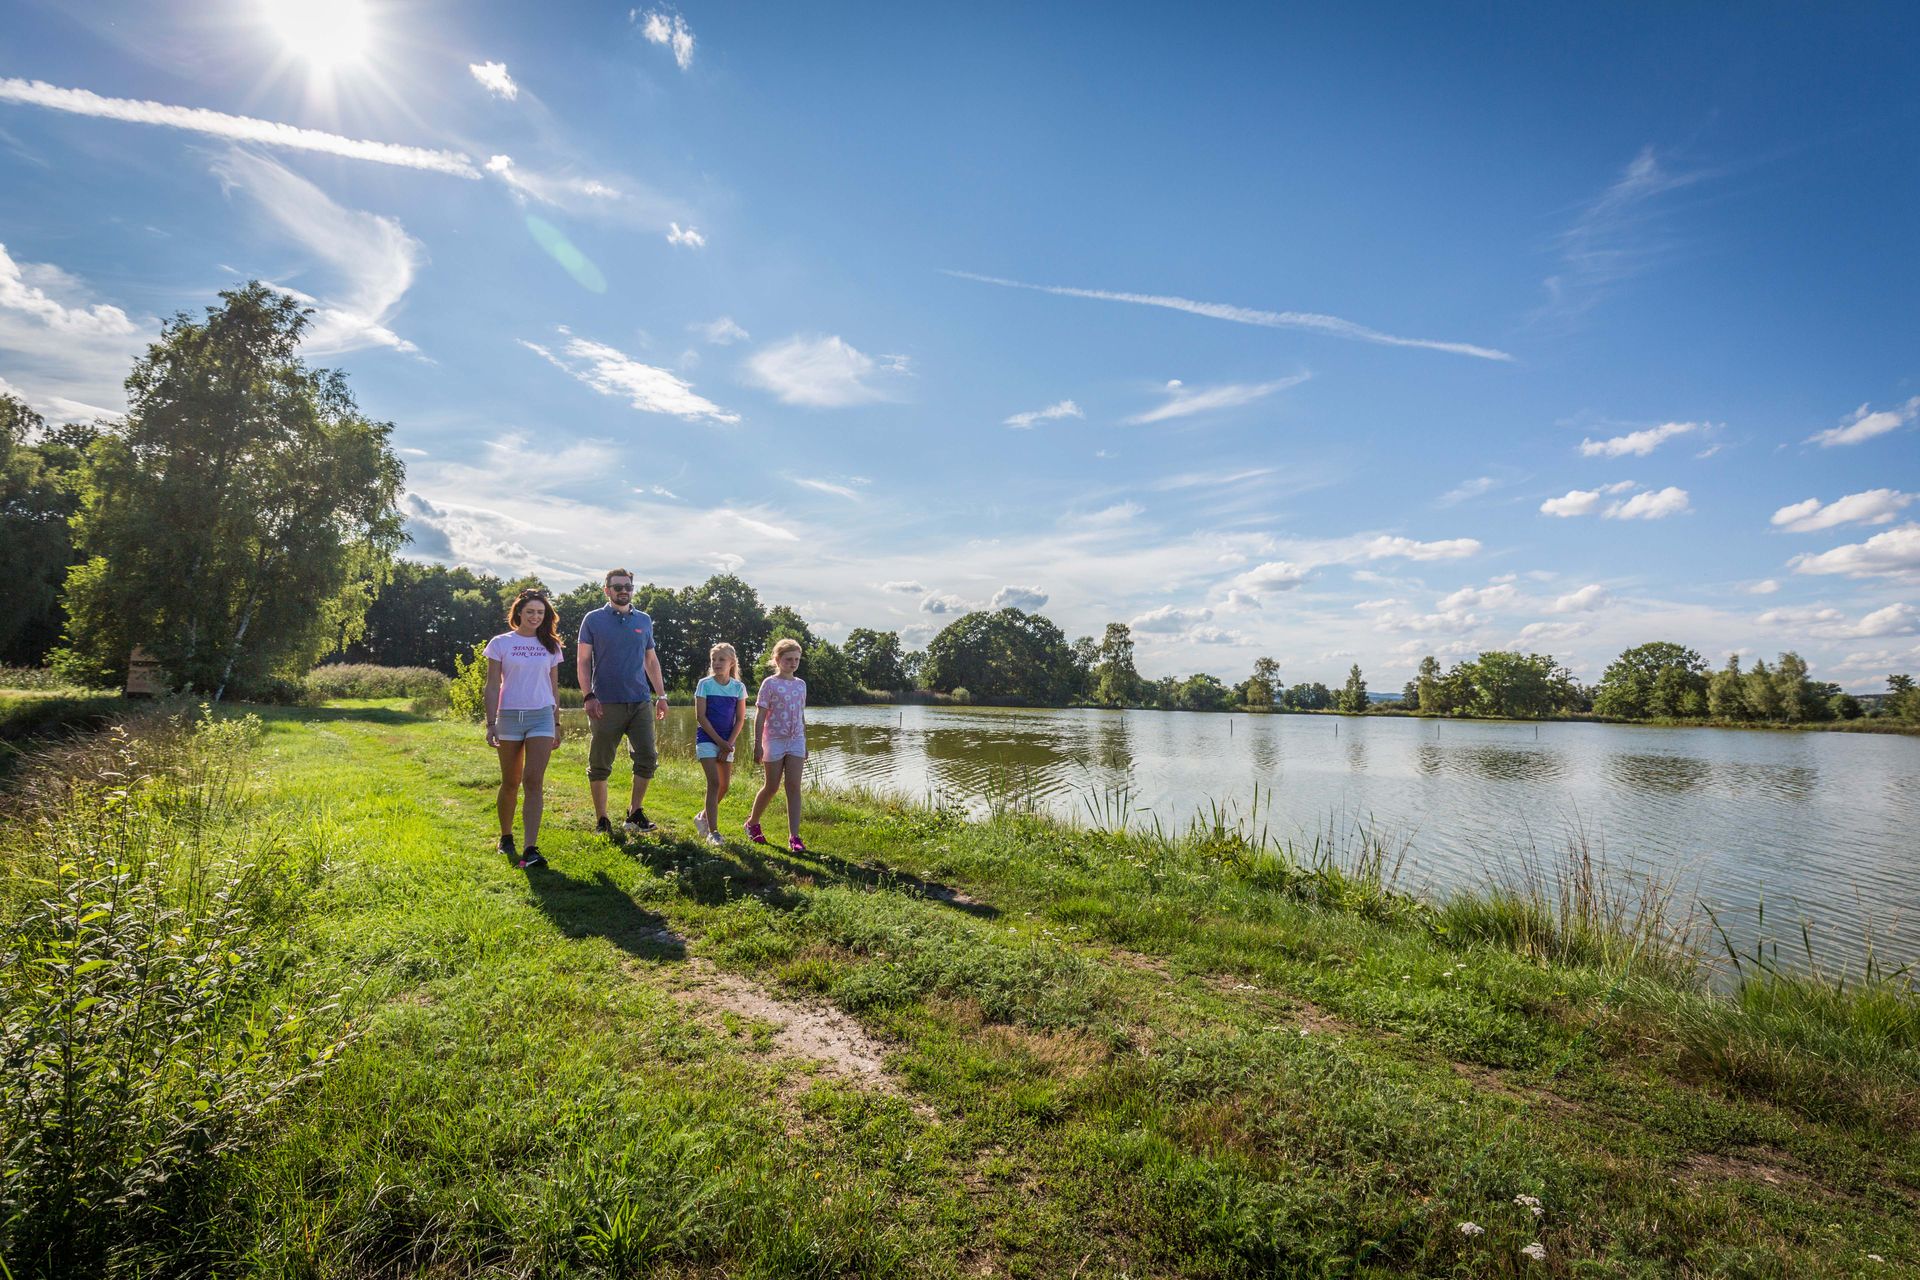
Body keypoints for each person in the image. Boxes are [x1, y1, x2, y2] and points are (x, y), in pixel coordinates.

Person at [576, 568, 669, 836]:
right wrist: (587, 695)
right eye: (617, 587)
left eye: (627, 586)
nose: (623, 591)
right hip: (605, 703)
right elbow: (582, 661)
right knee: (600, 763)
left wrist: (661, 696)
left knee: (647, 758)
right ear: (606, 590)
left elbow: (651, 661)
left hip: (640, 701)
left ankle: (634, 813)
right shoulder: (593, 620)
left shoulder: (644, 620)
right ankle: (602, 819)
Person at [484, 588, 565, 869]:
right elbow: (493, 685)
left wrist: (556, 722)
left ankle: (530, 848)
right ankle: (506, 837)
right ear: (519, 612)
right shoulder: (500, 643)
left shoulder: (551, 646)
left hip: (541, 715)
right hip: (508, 717)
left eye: (540, 613)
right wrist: (491, 723)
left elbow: (553, 687)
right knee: (510, 782)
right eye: (530, 611)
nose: (535, 616)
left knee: (534, 781)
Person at [745, 637, 809, 852]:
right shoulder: (770, 683)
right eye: (789, 659)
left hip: (796, 740)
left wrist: (805, 742)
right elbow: (760, 715)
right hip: (773, 739)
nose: (793, 663)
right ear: (777, 659)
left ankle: (794, 837)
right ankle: (752, 823)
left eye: (797, 660)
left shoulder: (801, 685)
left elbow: (801, 715)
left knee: (793, 787)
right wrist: (757, 744)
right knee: (772, 787)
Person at [692, 642, 746, 845]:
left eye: (721, 659)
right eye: (714, 659)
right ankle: (713, 833)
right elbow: (701, 717)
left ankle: (702, 817)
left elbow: (740, 719)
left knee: (724, 786)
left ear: (731, 662)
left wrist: (728, 744)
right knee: (714, 783)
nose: (716, 663)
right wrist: (719, 742)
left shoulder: (738, 687)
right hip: (707, 739)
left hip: (727, 741)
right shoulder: (704, 684)